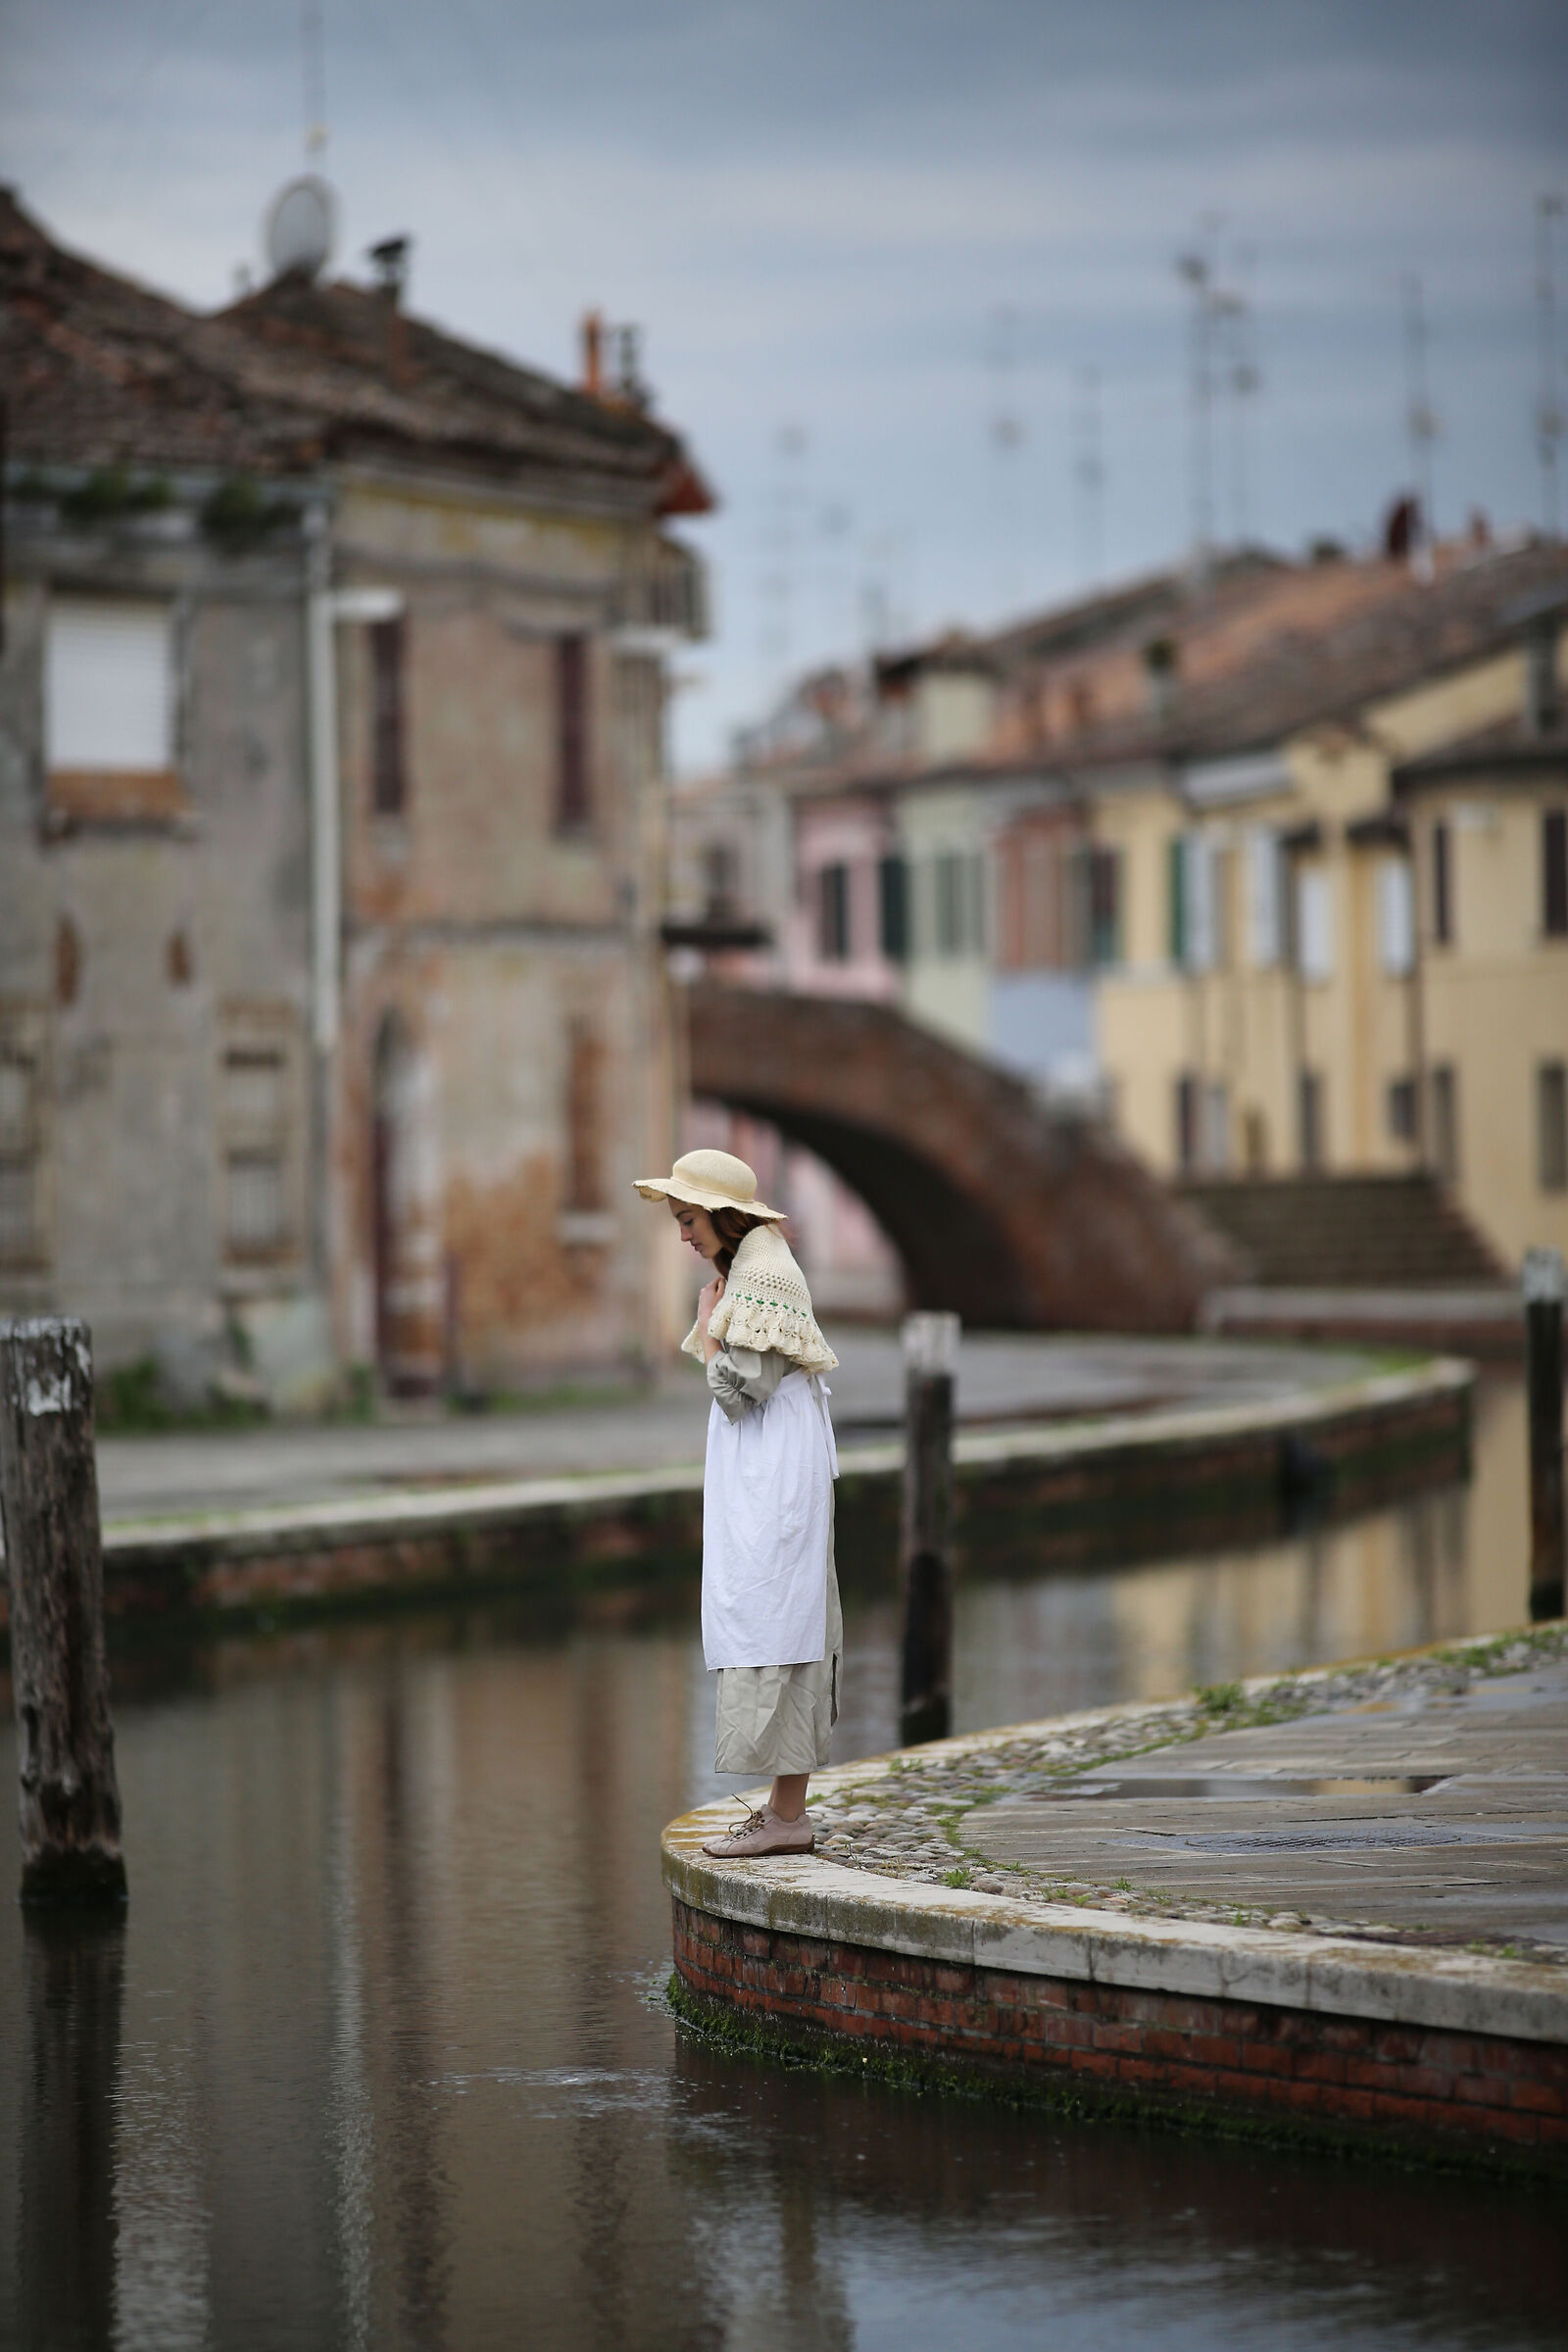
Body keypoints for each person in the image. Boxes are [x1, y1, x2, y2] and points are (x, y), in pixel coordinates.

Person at [634, 1149, 841, 1858]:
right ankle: (785, 1815)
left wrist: (712, 1329)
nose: (684, 1236)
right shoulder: (753, 1264)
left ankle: (786, 1819)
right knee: (784, 1615)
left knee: (779, 1613)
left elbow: (740, 1386)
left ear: (724, 1215)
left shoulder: (761, 1274)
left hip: (776, 1470)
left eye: (688, 1219)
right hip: (774, 1463)